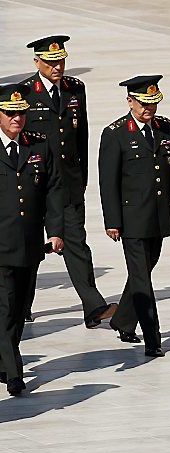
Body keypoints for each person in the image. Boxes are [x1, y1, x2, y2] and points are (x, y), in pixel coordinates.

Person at [21, 35, 117, 329]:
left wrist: (81, 177)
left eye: (60, 60)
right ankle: (20, 305)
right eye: (50, 62)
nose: (57, 66)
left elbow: (81, 136)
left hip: (69, 183)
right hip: (34, 183)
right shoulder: (24, 93)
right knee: (29, 248)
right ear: (37, 62)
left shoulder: (76, 89)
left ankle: (93, 307)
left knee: (76, 243)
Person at [99, 75, 170, 358]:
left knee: (143, 272)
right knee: (142, 279)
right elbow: (108, 182)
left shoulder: (165, 128)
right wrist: (112, 221)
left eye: (153, 103)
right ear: (130, 101)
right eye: (142, 103)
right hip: (132, 219)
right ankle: (153, 337)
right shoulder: (115, 133)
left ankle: (123, 320)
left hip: (158, 218)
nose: (148, 109)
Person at [0, 84, 64, 396]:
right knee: (5, 306)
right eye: (10, 113)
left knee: (21, 305)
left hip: (29, 243)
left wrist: (55, 231)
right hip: (0, 244)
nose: (17, 119)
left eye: (21, 113)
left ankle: (3, 359)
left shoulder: (39, 145)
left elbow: (53, 189)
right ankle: (14, 371)